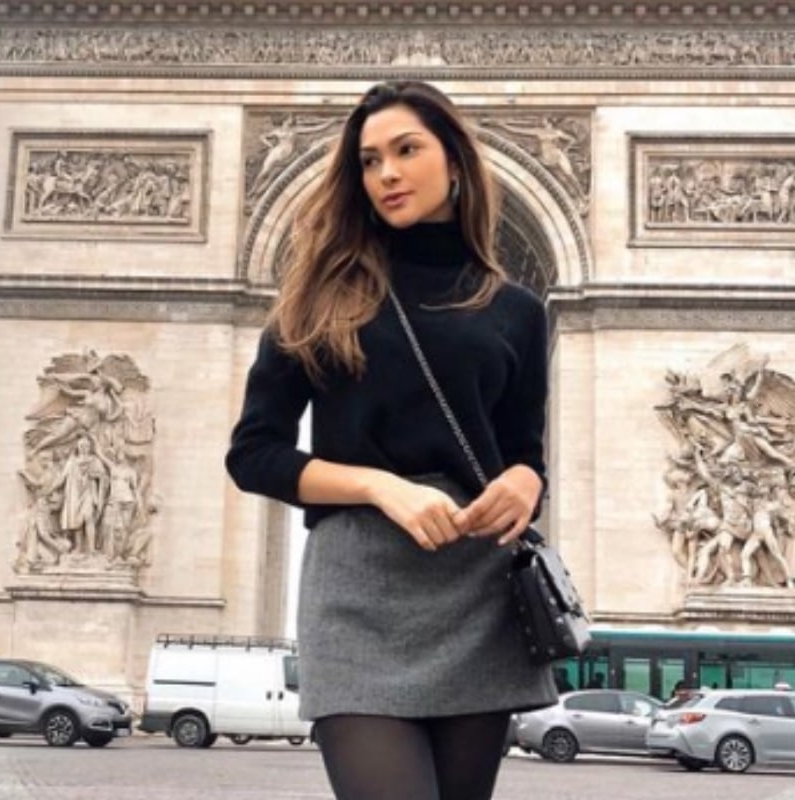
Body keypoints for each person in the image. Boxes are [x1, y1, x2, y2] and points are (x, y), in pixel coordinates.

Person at [225, 80, 556, 800]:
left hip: (475, 588)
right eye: (370, 160)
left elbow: (525, 449)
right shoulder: (316, 295)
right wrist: (376, 485)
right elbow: (254, 454)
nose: (388, 175)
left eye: (407, 151)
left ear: (456, 161)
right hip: (357, 591)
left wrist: (527, 481)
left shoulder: (520, 311)